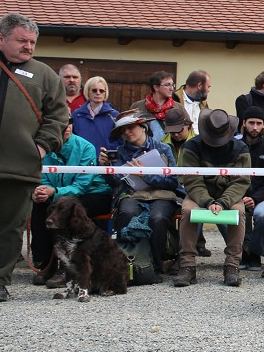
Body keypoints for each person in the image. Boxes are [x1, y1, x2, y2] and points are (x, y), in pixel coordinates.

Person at [0, 13, 69, 302]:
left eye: (32, 41)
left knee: (9, 228)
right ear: (0, 38)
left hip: (20, 166)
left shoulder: (45, 75)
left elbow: (58, 116)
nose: (29, 46)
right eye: (22, 40)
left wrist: (42, 147)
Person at [30, 118, 113, 284]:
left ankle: (68, 266)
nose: (66, 127)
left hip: (92, 193)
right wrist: (41, 191)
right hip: (58, 194)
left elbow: (82, 185)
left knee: (68, 212)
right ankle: (46, 263)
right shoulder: (42, 148)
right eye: (60, 122)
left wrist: (55, 192)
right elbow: (42, 176)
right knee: (41, 206)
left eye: (69, 121)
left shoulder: (86, 147)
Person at [99, 111, 182, 277]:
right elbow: (115, 183)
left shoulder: (164, 148)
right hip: (131, 194)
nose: (127, 132)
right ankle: (126, 264)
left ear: (143, 127)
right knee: (127, 212)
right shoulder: (119, 152)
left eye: (130, 128)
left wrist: (145, 174)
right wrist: (106, 169)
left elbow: (173, 181)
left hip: (162, 195)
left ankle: (156, 265)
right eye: (123, 130)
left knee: (157, 218)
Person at [174, 109, 251, 288]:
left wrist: (223, 202)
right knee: (187, 210)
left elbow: (241, 182)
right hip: (199, 194)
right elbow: (192, 180)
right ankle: (187, 265)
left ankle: (232, 266)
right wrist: (207, 201)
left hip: (229, 195)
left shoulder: (241, 149)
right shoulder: (191, 147)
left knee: (239, 212)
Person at [238, 107, 264, 271]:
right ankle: (241, 252)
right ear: (244, 123)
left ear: (263, 125)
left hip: (262, 197)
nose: (255, 127)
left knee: (262, 216)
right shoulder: (235, 146)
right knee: (234, 215)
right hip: (237, 195)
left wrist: (254, 199)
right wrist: (241, 197)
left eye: (258, 123)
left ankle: (254, 253)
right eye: (251, 123)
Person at [71, 76, 119, 156]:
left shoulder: (114, 115)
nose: (98, 93)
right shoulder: (77, 115)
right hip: (82, 162)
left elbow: (120, 141)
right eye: (94, 90)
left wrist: (108, 150)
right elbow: (71, 139)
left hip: (105, 162)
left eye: (101, 91)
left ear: (105, 93)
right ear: (87, 92)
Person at [234, 71, 264, 138]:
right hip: (248, 146)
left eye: (259, 123)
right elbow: (243, 124)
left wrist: (259, 122)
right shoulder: (243, 100)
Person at [130, 71, 177, 142]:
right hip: (146, 151)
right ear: (156, 87)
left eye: (172, 85)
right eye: (167, 85)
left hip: (170, 150)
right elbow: (128, 129)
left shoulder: (177, 107)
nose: (171, 88)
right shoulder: (137, 107)